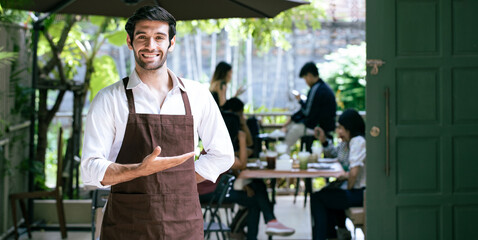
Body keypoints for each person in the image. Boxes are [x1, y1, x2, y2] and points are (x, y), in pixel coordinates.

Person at [80, 6, 234, 239]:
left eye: (159, 37)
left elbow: (223, 154)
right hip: (127, 224)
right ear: (130, 42)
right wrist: (139, 171)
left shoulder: (197, 94)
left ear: (171, 43)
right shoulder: (109, 99)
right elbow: (90, 169)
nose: (150, 46)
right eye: (142, 37)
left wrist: (181, 178)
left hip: (183, 223)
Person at [198, 100, 295, 239]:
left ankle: (265, 224)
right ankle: (262, 224)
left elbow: (240, 158)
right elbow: (242, 164)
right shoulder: (218, 149)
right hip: (209, 193)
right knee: (255, 200)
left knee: (257, 188)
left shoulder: (216, 146)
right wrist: (242, 140)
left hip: (217, 188)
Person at [310, 109, 366, 240]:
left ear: (350, 127)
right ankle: (337, 234)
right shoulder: (347, 143)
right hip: (355, 190)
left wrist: (347, 188)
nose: (338, 132)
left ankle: (326, 236)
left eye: (341, 128)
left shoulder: (358, 141)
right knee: (327, 193)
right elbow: (335, 154)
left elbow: (353, 173)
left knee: (319, 198)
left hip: (360, 193)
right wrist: (323, 141)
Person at [282, 62, 337, 150]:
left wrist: (293, 117)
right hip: (327, 126)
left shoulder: (316, 89)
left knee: (293, 131)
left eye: (305, 78)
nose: (306, 81)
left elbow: (307, 112)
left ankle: (283, 153)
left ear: (309, 75)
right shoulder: (324, 87)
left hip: (318, 128)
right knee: (292, 126)